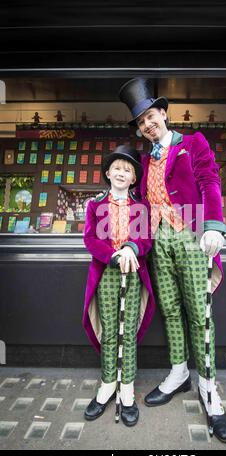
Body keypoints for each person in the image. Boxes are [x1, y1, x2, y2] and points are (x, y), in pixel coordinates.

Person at [119, 78, 226, 442]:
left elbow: (210, 180)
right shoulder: (144, 159)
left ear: (163, 113)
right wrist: (135, 242)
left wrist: (214, 225)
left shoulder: (193, 143)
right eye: (141, 123)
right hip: (160, 241)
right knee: (169, 308)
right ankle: (179, 372)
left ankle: (210, 391)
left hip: (192, 236)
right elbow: (138, 205)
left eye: (151, 117)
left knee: (200, 312)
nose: (148, 125)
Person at [82, 145, 155, 426]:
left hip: (134, 273)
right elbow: (90, 239)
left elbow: (147, 239)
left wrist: (131, 248)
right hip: (107, 274)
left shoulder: (142, 207)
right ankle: (107, 385)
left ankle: (127, 391)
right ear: (107, 173)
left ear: (134, 178)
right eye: (117, 168)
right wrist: (112, 254)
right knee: (111, 330)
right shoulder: (95, 205)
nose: (122, 172)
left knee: (129, 332)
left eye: (128, 169)